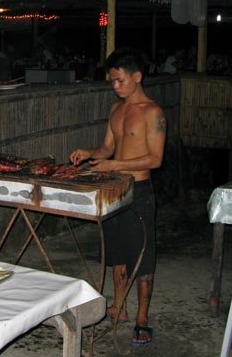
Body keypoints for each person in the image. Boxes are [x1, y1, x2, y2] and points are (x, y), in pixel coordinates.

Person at [70, 48, 166, 347]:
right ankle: (120, 307)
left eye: (120, 80)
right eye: (112, 81)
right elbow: (107, 149)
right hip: (114, 190)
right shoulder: (116, 109)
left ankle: (142, 319)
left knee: (142, 256)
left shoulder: (153, 113)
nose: (115, 86)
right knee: (117, 254)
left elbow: (155, 159)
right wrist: (90, 154)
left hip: (139, 191)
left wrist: (114, 165)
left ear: (137, 77)